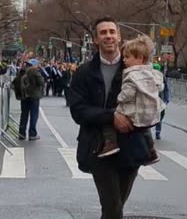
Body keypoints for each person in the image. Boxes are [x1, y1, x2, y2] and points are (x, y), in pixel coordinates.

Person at [69, 16, 151, 219]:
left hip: (131, 145)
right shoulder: (84, 73)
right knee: (112, 206)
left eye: (112, 32)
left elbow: (152, 105)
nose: (108, 36)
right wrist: (111, 117)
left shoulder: (135, 68)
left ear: (119, 37)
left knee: (116, 207)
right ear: (95, 40)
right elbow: (78, 110)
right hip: (99, 147)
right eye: (103, 33)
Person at [98, 35, 165, 165]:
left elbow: (128, 93)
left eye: (127, 57)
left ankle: (110, 143)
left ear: (139, 58)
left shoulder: (131, 75)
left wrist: (119, 98)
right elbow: (160, 87)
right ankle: (151, 151)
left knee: (110, 118)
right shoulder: (154, 73)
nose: (124, 60)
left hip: (133, 110)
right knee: (145, 130)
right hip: (150, 112)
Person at [12, 59, 44, 140]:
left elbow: (15, 81)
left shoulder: (21, 70)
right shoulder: (34, 71)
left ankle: (21, 134)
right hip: (34, 96)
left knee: (24, 115)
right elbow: (41, 82)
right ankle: (32, 134)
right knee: (34, 115)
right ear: (34, 65)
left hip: (24, 96)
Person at [153, 63, 169, 140]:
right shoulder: (149, 76)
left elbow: (166, 89)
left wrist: (166, 99)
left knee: (160, 116)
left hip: (160, 100)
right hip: (152, 99)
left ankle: (157, 132)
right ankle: (156, 131)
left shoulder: (162, 77)